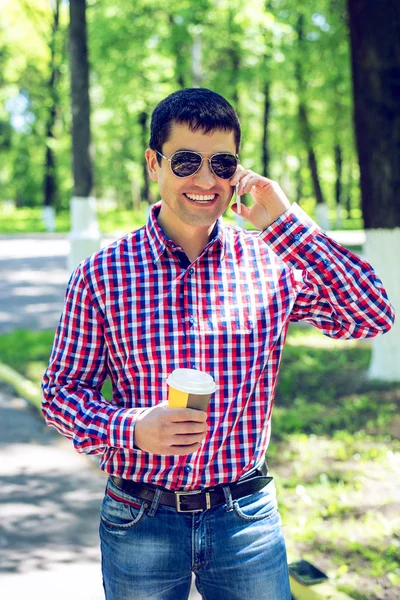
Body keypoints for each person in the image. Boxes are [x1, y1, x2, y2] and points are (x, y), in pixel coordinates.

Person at [42, 87, 394, 600]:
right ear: (153, 163)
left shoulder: (271, 262)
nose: (206, 181)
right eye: (186, 161)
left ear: (238, 171)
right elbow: (60, 395)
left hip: (245, 519)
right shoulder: (101, 274)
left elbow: (371, 313)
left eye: (222, 163)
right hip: (139, 517)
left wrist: (287, 225)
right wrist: (134, 428)